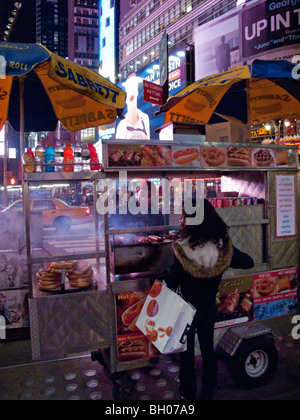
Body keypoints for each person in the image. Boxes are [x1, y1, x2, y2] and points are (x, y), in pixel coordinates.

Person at [165, 198, 254, 400]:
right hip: (207, 307)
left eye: (184, 216)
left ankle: (187, 394)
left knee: (186, 354)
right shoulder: (221, 245)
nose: (181, 219)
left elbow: (171, 280)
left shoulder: (183, 248)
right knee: (207, 349)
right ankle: (208, 391)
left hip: (186, 309)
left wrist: (161, 278)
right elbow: (248, 262)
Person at [116, 74, 150, 140]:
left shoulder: (145, 118)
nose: (132, 92)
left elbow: (148, 144)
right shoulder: (121, 126)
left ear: (137, 92)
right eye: (129, 89)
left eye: (133, 88)